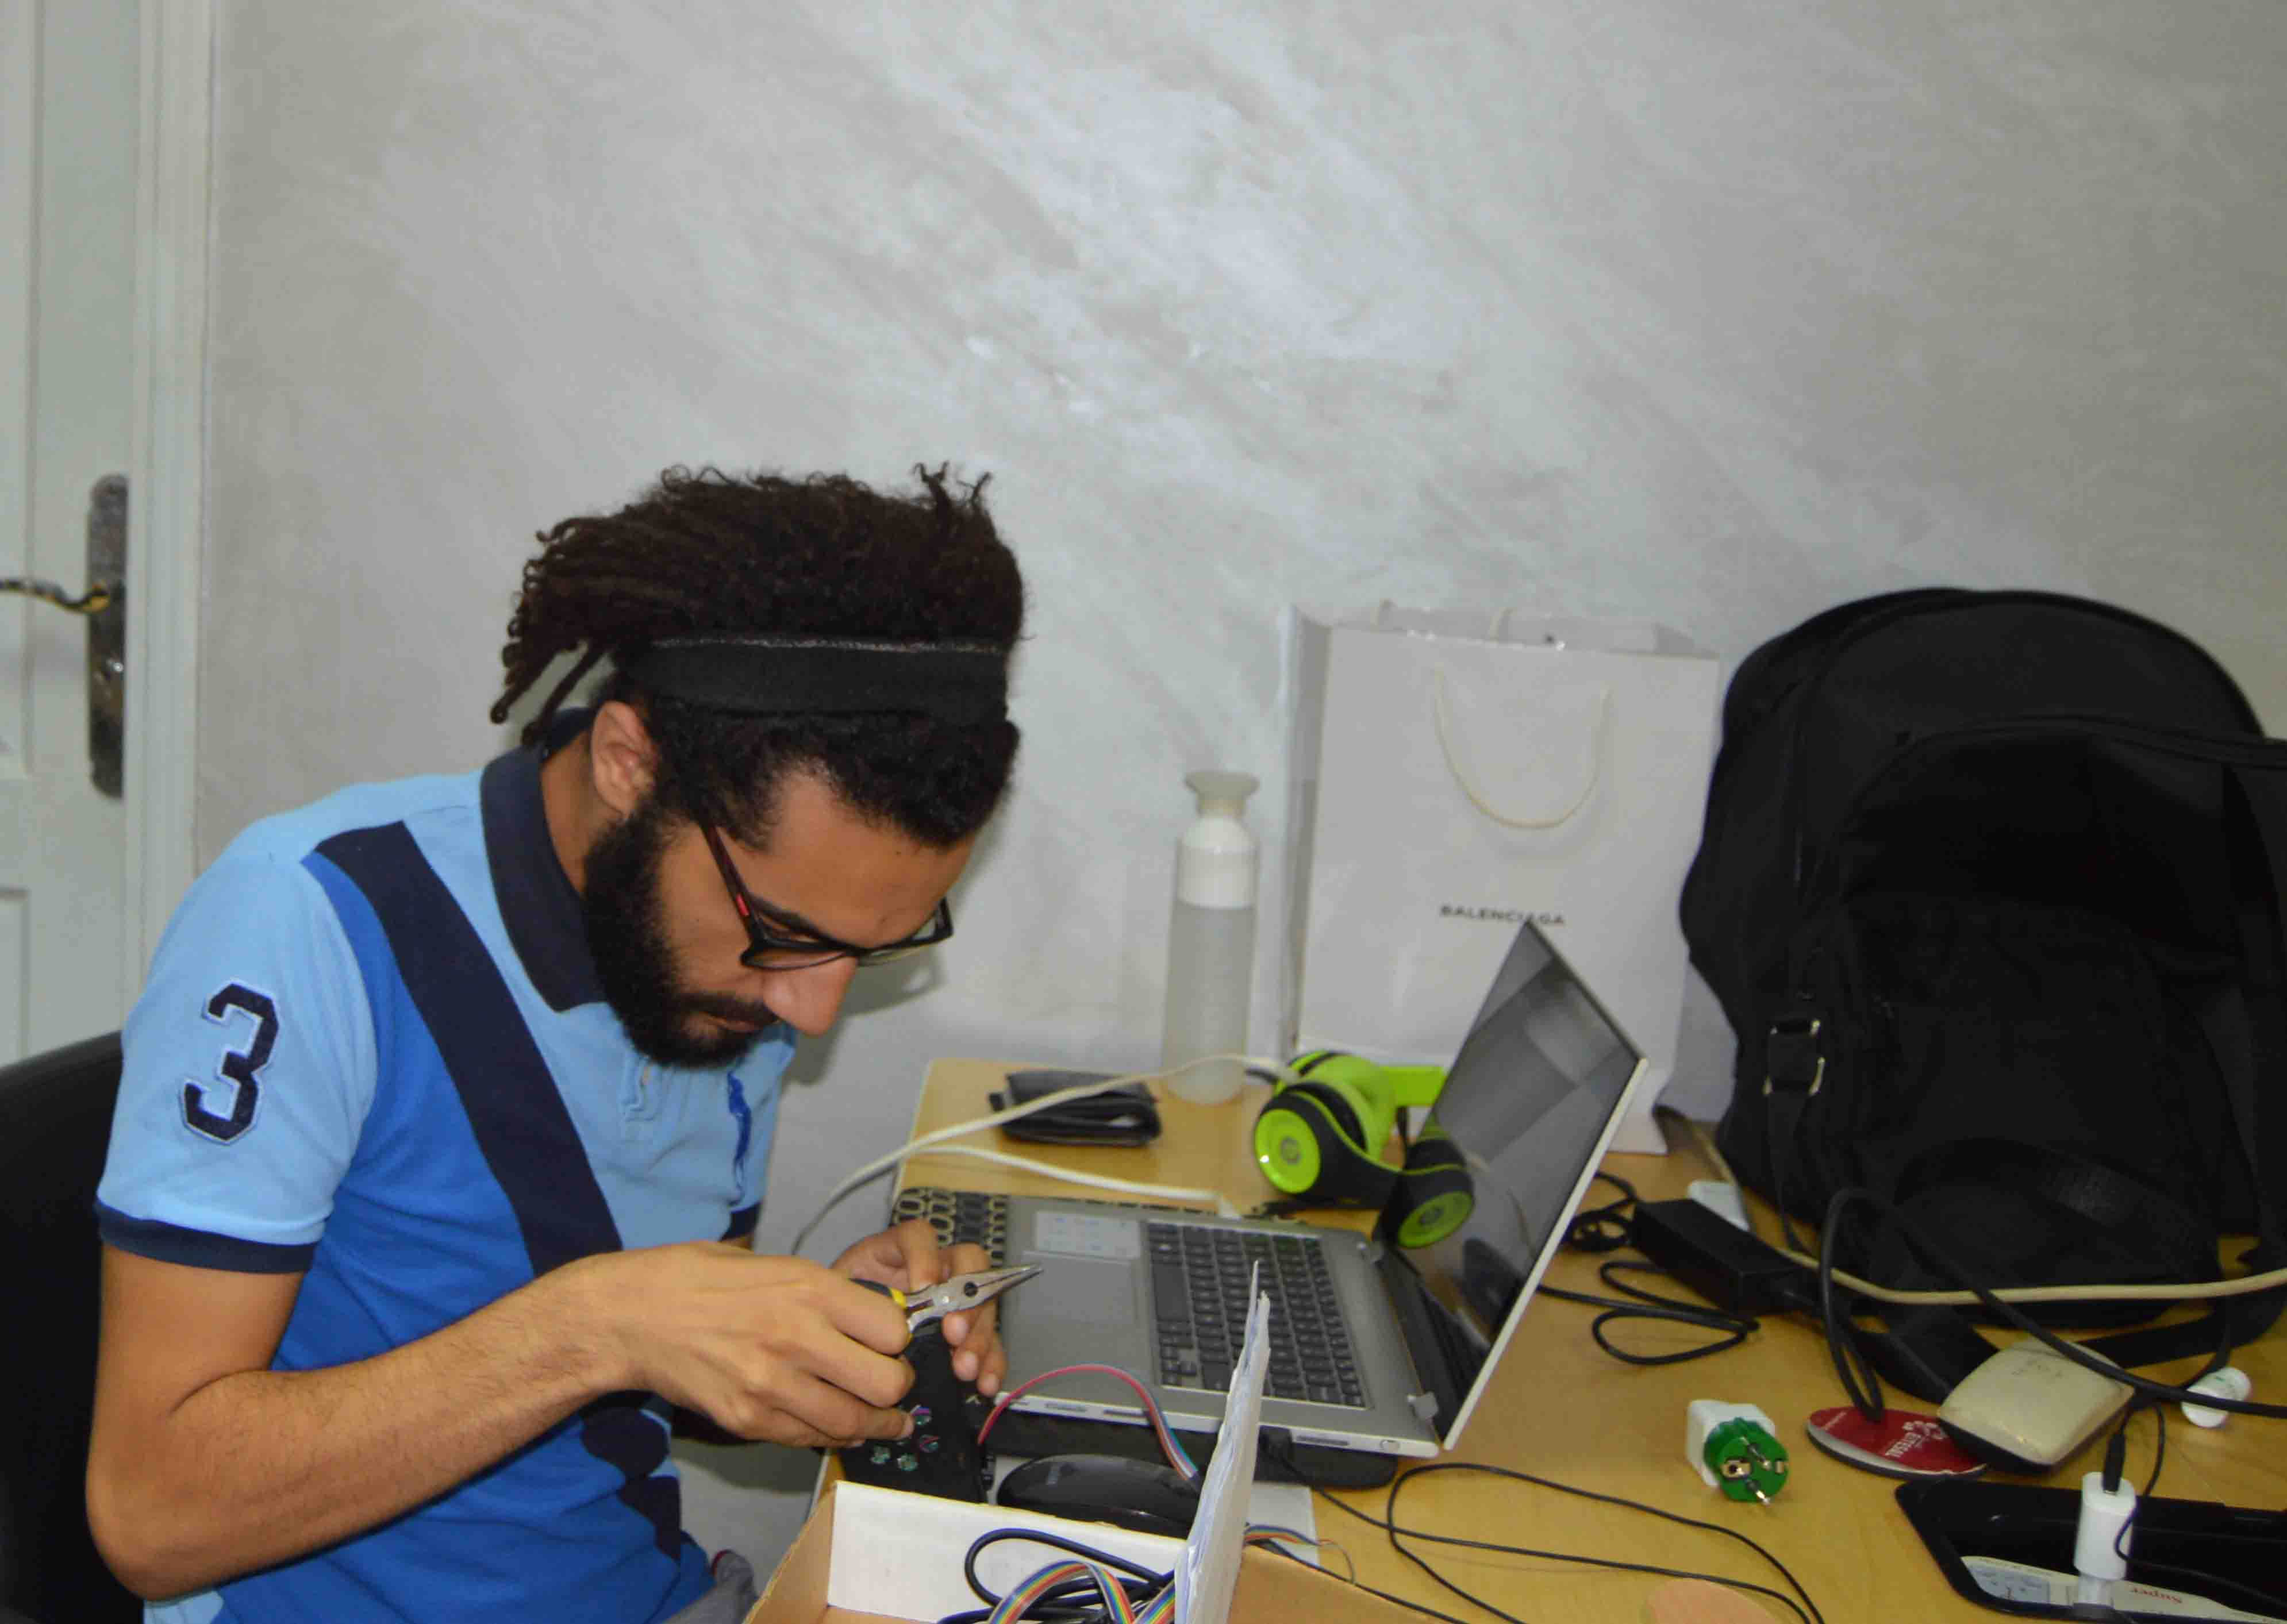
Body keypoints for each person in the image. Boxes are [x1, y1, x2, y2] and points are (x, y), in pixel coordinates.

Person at [86, 465, 1025, 1623]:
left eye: (864, 952)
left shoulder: (729, 976)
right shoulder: (313, 920)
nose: (813, 1010)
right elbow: (150, 1515)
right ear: (630, 766)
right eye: (786, 934)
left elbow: (635, 1375)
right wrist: (599, 1324)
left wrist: (800, 1334)